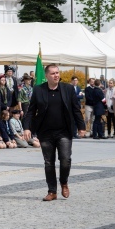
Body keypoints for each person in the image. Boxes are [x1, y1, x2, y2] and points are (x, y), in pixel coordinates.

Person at [23, 64, 86, 201]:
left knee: (65, 160)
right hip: (45, 133)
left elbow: (76, 109)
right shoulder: (39, 90)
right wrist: (27, 127)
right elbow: (31, 111)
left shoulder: (68, 89)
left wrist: (81, 126)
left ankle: (64, 182)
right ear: (46, 76)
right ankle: (52, 191)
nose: (56, 75)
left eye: (57, 73)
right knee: (48, 162)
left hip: (64, 132)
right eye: (53, 73)